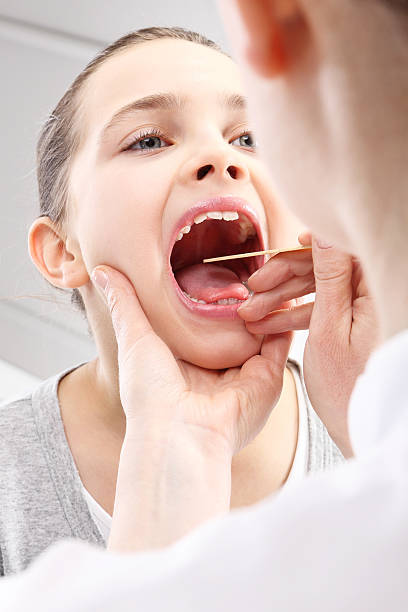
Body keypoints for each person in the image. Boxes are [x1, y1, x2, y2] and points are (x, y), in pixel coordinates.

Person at [2, 0, 407, 609]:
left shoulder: (365, 429)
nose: (222, 157)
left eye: (249, 136)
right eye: (146, 141)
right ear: (62, 251)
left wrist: (372, 434)